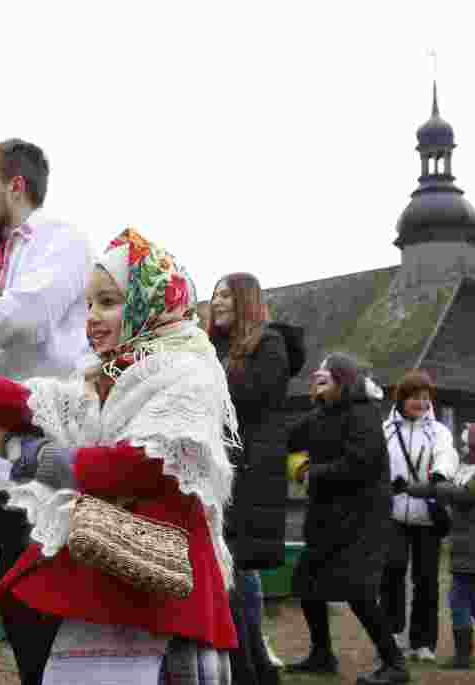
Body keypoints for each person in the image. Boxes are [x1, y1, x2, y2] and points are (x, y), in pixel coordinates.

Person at [0, 228, 237, 684]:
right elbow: (34, 400)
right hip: (108, 575)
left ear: (150, 303)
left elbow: (145, 464)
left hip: (164, 594)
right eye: (88, 304)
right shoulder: (108, 376)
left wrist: (45, 458)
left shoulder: (187, 373)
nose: (92, 317)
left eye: (108, 302)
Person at [0, 138, 94, 685]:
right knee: (18, 604)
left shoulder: (64, 242)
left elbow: (26, 317)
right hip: (4, 462)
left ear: (16, 186)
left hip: (57, 455)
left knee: (55, 603)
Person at [284, 354, 408, 685]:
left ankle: (395, 664)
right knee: (308, 582)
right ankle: (322, 655)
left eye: (326, 372)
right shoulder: (321, 414)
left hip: (362, 519)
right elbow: (287, 438)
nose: (318, 375)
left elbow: (360, 465)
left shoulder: (363, 414)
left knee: (358, 591)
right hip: (327, 517)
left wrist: (311, 473)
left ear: (343, 379)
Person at [208, 273, 305, 685]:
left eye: (225, 295)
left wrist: (204, 382)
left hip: (248, 473)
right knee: (234, 573)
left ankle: (248, 667)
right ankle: (256, 666)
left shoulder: (269, 345)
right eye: (214, 295)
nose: (216, 302)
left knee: (232, 570)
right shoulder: (215, 348)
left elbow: (248, 398)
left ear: (245, 300)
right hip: (220, 468)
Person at [393, 423, 475, 668]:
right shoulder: (474, 471)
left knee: (459, 598)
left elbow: (459, 493)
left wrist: (436, 483)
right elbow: (445, 488)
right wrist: (408, 488)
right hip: (467, 543)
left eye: (467, 444)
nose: (463, 448)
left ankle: (464, 654)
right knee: (468, 596)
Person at [379, 370, 459, 662]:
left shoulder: (438, 431)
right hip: (393, 514)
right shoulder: (385, 430)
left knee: (426, 580)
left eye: (426, 398)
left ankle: (423, 643)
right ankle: (392, 634)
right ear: (402, 398)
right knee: (392, 572)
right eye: (415, 397)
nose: (421, 403)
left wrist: (439, 475)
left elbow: (447, 454)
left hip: (428, 515)